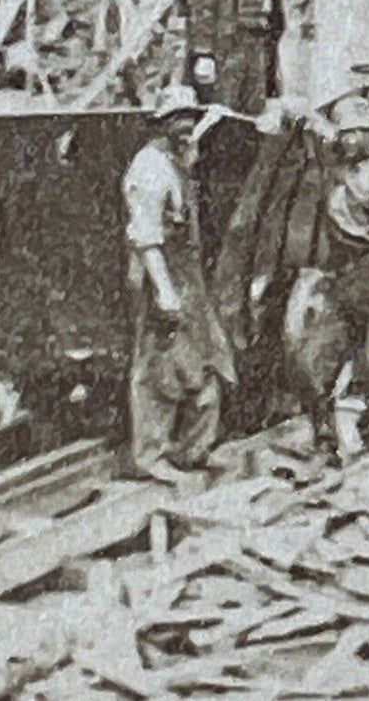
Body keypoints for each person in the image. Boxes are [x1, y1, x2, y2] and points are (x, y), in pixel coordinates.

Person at [285, 93, 369, 461]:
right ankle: (324, 435)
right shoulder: (336, 162)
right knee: (311, 356)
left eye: (355, 134)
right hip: (336, 270)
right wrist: (298, 110)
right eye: (343, 134)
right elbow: (317, 129)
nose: (348, 140)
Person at [122, 84, 236, 483]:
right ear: (162, 125)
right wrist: (165, 291)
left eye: (190, 117)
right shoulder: (149, 169)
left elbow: (193, 143)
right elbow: (145, 236)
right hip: (164, 278)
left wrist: (208, 124)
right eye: (178, 119)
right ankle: (151, 457)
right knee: (159, 373)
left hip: (187, 279)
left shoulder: (175, 159)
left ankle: (192, 452)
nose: (186, 125)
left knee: (205, 363)